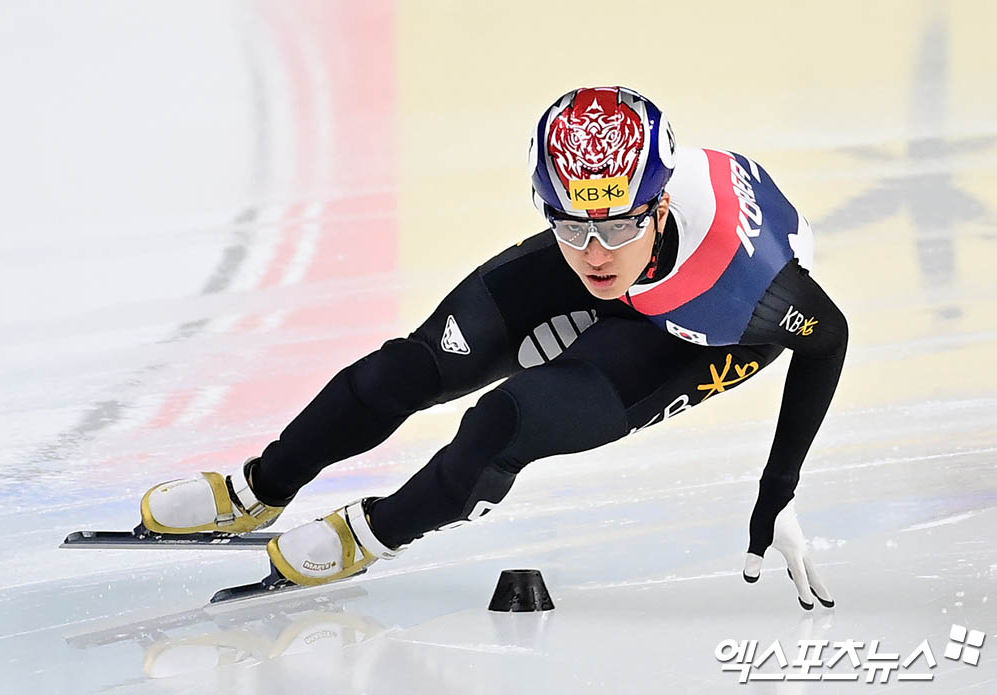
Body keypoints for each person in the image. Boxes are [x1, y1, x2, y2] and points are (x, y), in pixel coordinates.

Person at [138, 87, 846, 609]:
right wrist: (598, 236)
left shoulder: (748, 286)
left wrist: (776, 491)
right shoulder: (607, 220)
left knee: (503, 422)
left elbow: (829, 337)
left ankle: (371, 534)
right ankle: (256, 491)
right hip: (655, 273)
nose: (595, 253)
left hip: (701, 326)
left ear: (661, 206)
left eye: (618, 226)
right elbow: (599, 236)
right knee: (411, 366)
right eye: (570, 225)